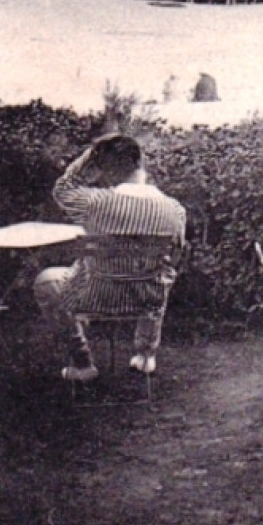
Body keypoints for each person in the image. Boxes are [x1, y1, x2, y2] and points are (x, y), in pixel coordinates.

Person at [34, 134, 188, 382]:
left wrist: (90, 155)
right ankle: (145, 354)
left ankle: (83, 364)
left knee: (45, 280)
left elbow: (62, 189)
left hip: (93, 297)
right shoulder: (175, 210)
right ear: (139, 161)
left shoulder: (95, 202)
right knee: (162, 272)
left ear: (103, 168)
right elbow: (174, 259)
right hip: (145, 299)